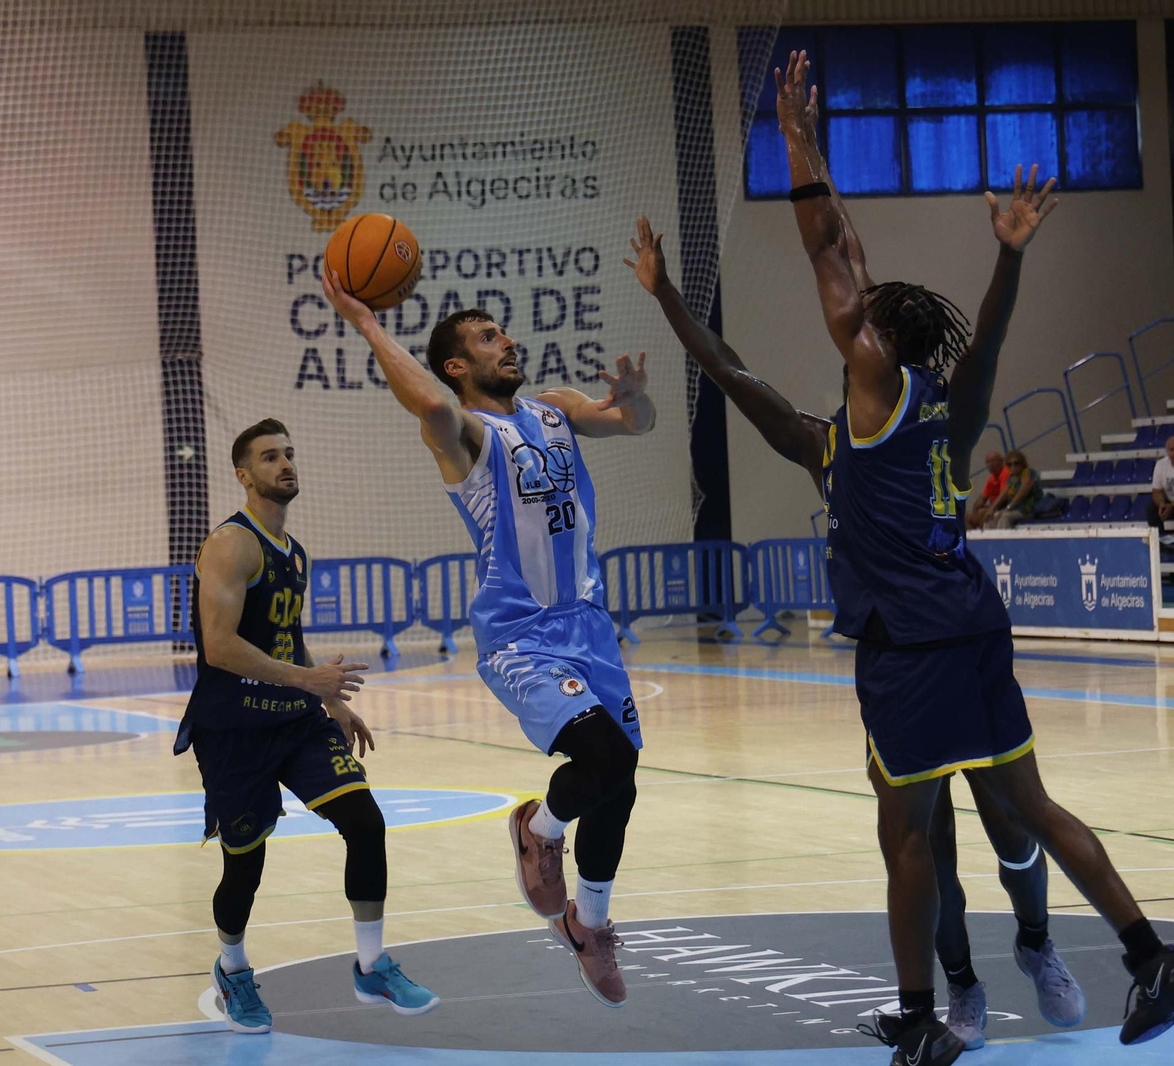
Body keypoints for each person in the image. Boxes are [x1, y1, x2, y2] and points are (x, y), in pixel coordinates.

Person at [772, 50, 1174, 1064]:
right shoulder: (944, 401)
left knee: (912, 837)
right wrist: (1007, 257)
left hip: (916, 645)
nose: (852, 308)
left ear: (876, 337)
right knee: (1029, 805)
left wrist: (797, 147)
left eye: (863, 313)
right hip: (974, 622)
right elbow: (973, 330)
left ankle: (924, 1018)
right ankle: (1153, 957)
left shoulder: (868, 382)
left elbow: (828, 250)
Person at [625, 215, 1082, 1050]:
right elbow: (729, 367)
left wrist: (1002, 255)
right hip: (898, 661)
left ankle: (1037, 942)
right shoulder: (822, 442)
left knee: (1013, 826)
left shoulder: (933, 422)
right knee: (929, 844)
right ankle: (961, 987)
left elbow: (956, 326)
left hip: (955, 645)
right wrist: (667, 296)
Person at [322, 267, 654, 1009]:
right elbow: (428, 404)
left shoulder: (555, 409)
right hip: (521, 635)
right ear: (455, 365)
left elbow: (637, 424)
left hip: (590, 626)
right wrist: (367, 322)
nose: (506, 341)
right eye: (485, 337)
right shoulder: (466, 437)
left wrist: (635, 399)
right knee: (602, 757)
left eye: (502, 331)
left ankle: (589, 922)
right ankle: (539, 828)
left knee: (622, 776)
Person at [175, 418, 438, 1033]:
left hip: (294, 720)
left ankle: (372, 966)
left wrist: (331, 699)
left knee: (365, 822)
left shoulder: (295, 552)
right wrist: (308, 681)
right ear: (244, 475)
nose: (285, 463)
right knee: (246, 864)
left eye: (289, 453)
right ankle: (232, 968)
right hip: (233, 729)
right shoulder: (231, 544)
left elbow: (286, 638)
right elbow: (219, 647)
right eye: (270, 457)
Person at [985, 450, 1040, 529]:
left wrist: (1008, 508)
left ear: (1022, 463)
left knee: (1005, 517)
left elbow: (1022, 492)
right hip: (1015, 509)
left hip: (1027, 509)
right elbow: (1004, 493)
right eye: (1009, 464)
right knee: (991, 518)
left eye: (1016, 463)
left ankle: (1003, 536)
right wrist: (991, 509)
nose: (1013, 466)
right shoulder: (1012, 478)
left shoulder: (1028, 473)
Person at [965, 451, 1007, 530]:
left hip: (1002, 507)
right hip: (992, 507)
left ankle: (981, 532)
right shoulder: (992, 478)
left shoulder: (1005, 473)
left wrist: (991, 508)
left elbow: (1003, 496)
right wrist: (975, 511)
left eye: (993, 461)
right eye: (988, 462)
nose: (990, 465)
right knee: (964, 517)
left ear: (1001, 461)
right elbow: (982, 498)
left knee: (982, 513)